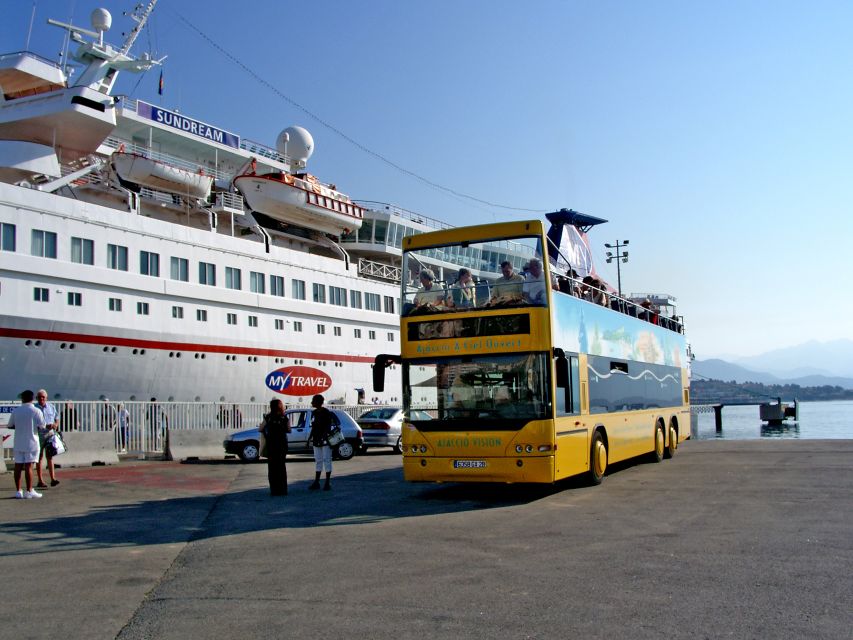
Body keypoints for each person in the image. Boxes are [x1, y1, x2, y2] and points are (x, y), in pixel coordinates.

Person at [8, 390, 45, 499]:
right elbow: (42, 426)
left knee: (18, 466)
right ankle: (29, 490)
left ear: (22, 399)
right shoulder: (36, 411)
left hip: (18, 441)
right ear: (33, 398)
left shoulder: (16, 411)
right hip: (32, 442)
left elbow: (10, 425)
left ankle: (18, 491)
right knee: (29, 466)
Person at [260, 398, 290, 496]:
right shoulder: (284, 418)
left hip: (271, 445)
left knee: (272, 468)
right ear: (280, 406)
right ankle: (283, 490)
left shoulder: (268, 417)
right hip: (282, 444)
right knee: (281, 467)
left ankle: (274, 490)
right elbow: (289, 430)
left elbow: (261, 428)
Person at [34, 388, 59, 488]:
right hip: (39, 435)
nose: (41, 399)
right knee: (39, 458)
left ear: (46, 398)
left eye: (43, 397)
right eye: (39, 397)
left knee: (50, 457)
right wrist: (44, 426)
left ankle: (53, 479)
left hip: (50, 434)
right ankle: (40, 480)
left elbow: (57, 418)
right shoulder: (34, 408)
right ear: (36, 398)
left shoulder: (51, 407)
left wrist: (55, 424)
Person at [308, 394, 334, 491]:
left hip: (325, 440)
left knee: (327, 460)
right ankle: (317, 482)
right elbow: (313, 426)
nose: (312, 402)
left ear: (319, 402)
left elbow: (328, 426)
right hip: (316, 439)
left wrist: (324, 437)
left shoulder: (326, 412)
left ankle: (327, 482)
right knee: (318, 460)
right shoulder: (314, 412)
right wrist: (310, 438)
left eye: (313, 400)